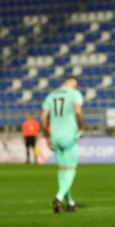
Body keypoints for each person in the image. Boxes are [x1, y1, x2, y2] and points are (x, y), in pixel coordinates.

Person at [40, 76, 84, 212]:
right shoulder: (74, 94)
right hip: (69, 136)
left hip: (55, 137)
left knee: (62, 170)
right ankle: (58, 198)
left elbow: (43, 117)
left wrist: (47, 135)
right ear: (73, 84)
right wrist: (81, 128)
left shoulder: (51, 95)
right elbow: (78, 111)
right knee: (71, 170)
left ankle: (70, 202)